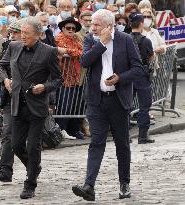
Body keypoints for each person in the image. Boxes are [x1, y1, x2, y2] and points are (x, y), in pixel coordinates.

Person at [71, 9, 144, 201]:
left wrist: (120, 78)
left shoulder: (125, 40)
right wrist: (101, 43)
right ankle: (89, 186)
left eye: (96, 25)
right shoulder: (90, 39)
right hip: (97, 101)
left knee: (122, 144)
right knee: (96, 142)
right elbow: (85, 61)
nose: (92, 27)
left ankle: (124, 184)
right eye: (92, 24)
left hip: (118, 101)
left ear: (109, 26)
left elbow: (138, 69)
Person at [0, 16, 62, 199]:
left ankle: (30, 183)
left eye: (27, 33)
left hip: (37, 106)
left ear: (38, 35)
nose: (22, 36)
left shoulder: (49, 52)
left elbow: (58, 79)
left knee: (33, 146)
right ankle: (34, 167)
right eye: (22, 33)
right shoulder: (13, 46)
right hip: (17, 104)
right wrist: (6, 79)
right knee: (17, 145)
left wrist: (45, 87)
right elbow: (1, 66)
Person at [0, 20, 22, 183]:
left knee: (28, 139)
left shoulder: (40, 49)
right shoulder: (7, 47)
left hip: (30, 100)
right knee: (7, 135)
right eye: (11, 32)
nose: (12, 35)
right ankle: (5, 170)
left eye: (16, 32)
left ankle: (33, 167)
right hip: (9, 99)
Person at [55, 17, 84, 140]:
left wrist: (67, 51)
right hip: (64, 77)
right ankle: (60, 129)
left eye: (73, 28)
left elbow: (81, 51)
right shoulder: (59, 38)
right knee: (64, 104)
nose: (71, 30)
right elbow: (74, 52)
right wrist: (70, 51)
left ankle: (72, 129)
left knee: (74, 105)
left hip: (75, 77)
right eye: (68, 28)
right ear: (62, 29)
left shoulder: (77, 39)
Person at [129, 12, 155, 144]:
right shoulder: (146, 41)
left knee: (126, 106)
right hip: (142, 75)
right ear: (141, 24)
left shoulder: (124, 38)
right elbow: (151, 57)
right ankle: (143, 136)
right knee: (144, 107)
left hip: (128, 75)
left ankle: (124, 136)